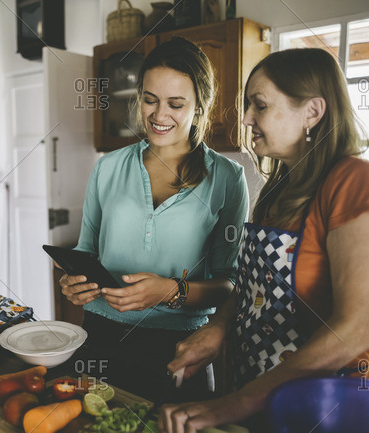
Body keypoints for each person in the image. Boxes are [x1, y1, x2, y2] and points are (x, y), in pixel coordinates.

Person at [159, 48, 369, 431]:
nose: (247, 118)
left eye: (260, 105)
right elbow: (254, 288)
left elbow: (352, 332)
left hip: (323, 407)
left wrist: (233, 405)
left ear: (313, 112)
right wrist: (218, 329)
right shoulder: (278, 189)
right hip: (256, 392)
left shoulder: (356, 181)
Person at [59, 37, 249, 401]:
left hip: (179, 348)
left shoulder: (227, 178)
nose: (160, 116)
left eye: (176, 104)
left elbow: (230, 282)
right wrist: (75, 283)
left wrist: (170, 291)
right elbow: (85, 252)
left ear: (200, 106)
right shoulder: (108, 167)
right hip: (100, 339)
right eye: (150, 100)